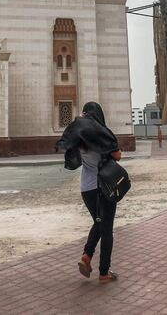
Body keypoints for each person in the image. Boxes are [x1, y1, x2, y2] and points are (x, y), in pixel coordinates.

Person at [55, 101, 121, 284]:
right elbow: (117, 156)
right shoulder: (101, 135)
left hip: (87, 189)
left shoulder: (80, 136)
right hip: (104, 189)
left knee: (99, 222)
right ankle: (104, 273)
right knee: (106, 229)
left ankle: (86, 256)